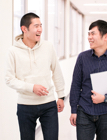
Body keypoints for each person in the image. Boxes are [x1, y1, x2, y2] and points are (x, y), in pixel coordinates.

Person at [5, 12, 65, 140]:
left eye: (41, 26)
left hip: (48, 103)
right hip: (25, 105)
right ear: (24, 29)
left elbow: (57, 71)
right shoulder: (13, 51)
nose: (40, 29)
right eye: (36, 26)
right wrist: (31, 87)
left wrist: (60, 95)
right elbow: (9, 79)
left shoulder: (48, 47)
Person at [69, 20, 107, 140]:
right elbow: (75, 85)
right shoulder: (82, 57)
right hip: (84, 111)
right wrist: (73, 110)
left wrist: (106, 98)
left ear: (105, 36)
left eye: (93, 34)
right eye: (88, 34)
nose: (89, 37)